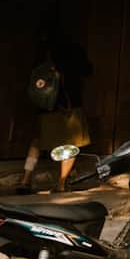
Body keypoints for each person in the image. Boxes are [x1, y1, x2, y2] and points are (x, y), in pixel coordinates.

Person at [19, 26, 93, 192]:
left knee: (37, 142)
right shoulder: (73, 50)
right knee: (70, 143)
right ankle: (61, 183)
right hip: (69, 104)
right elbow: (87, 70)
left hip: (45, 105)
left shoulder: (42, 53)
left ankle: (25, 180)